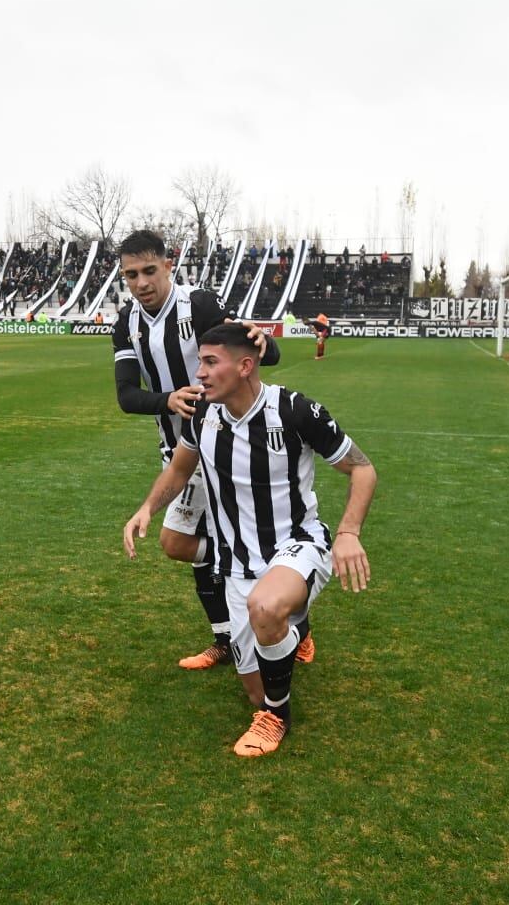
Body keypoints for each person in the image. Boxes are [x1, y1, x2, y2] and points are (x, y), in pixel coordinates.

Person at [124, 323, 376, 756]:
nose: (199, 372)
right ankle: (293, 633)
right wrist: (148, 507)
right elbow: (180, 469)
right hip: (238, 564)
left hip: (298, 544)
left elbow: (363, 468)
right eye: (199, 361)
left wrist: (348, 532)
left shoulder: (295, 410)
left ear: (244, 366)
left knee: (266, 610)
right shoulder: (202, 413)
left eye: (210, 361)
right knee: (257, 686)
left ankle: (277, 718)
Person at [111, 230, 295, 671]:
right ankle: (227, 637)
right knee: (179, 543)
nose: (141, 283)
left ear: (169, 265)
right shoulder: (126, 324)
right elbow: (125, 395)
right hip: (178, 451)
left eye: (149, 271)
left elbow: (265, 357)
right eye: (131, 275)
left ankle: (291, 629)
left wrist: (262, 340)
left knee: (250, 541)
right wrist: (167, 400)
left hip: (230, 447)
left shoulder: (200, 305)